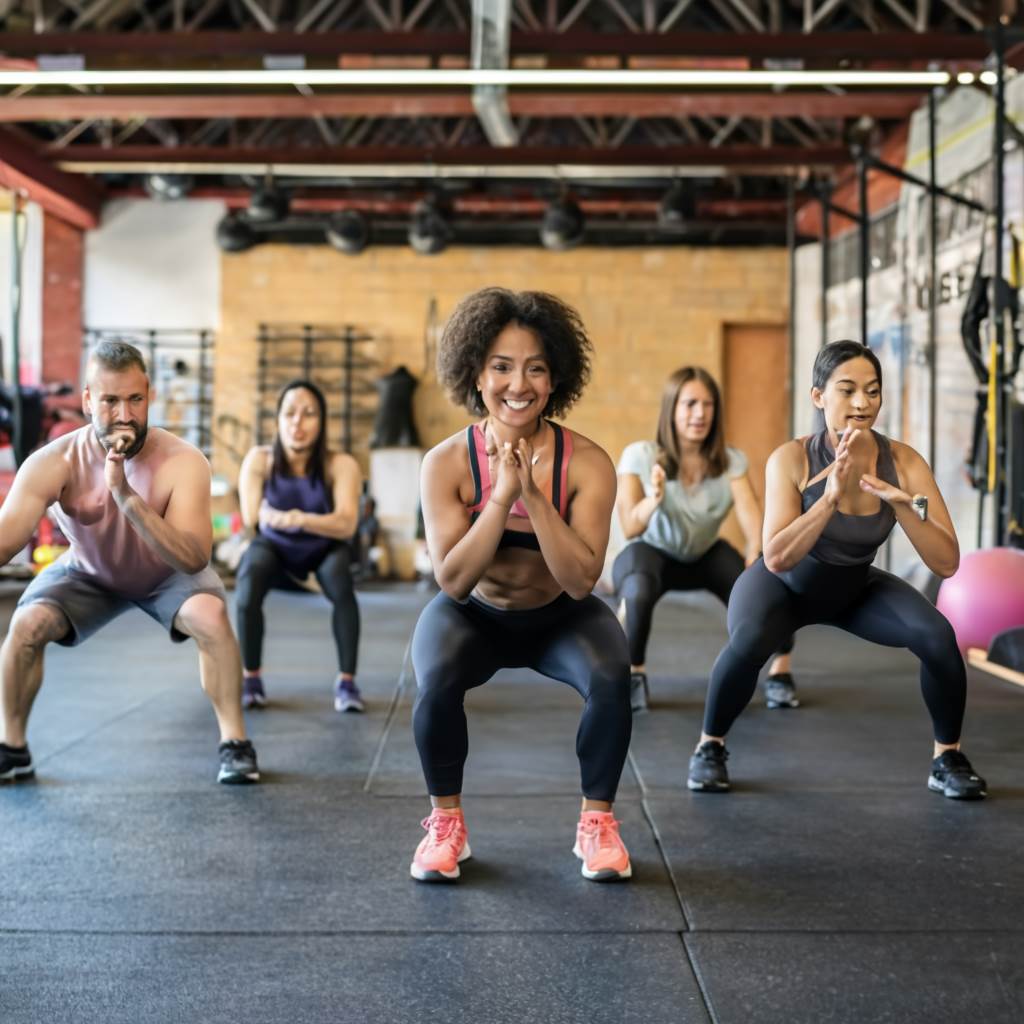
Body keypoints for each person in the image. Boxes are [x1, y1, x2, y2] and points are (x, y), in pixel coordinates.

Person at [687, 340, 986, 800]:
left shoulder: (903, 463)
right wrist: (828, 500)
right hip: (781, 588)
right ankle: (711, 746)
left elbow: (946, 562)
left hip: (854, 589)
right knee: (748, 641)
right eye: (847, 390)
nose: (862, 402)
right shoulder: (791, 459)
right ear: (818, 396)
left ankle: (947, 757)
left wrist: (902, 506)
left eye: (872, 390)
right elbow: (777, 557)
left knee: (938, 638)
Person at [409, 288, 633, 883]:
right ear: (476, 374)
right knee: (432, 679)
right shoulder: (445, 463)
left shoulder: (587, 463)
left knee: (613, 676)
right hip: (474, 616)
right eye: (502, 367)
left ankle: (598, 825)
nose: (519, 383)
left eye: (536, 368)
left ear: (555, 378)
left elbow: (583, 581)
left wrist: (532, 496)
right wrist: (500, 496)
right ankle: (445, 825)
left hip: (560, 615)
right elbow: (453, 581)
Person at [0, 340, 258, 785]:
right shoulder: (54, 462)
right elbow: (6, 540)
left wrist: (126, 495)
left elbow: (194, 556)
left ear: (149, 396)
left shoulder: (183, 461)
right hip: (88, 571)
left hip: (165, 575)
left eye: (135, 399)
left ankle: (234, 741)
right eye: (110, 401)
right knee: (26, 627)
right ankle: (12, 747)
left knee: (212, 616)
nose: (124, 415)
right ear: (86, 400)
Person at [613, 366, 796, 713]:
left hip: (704, 555)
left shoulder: (729, 461)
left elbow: (751, 516)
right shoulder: (640, 455)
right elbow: (630, 526)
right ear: (672, 408)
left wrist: (756, 555)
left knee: (764, 585)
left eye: (708, 404)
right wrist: (654, 499)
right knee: (638, 588)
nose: (700, 413)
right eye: (690, 403)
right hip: (650, 553)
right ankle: (635, 673)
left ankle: (780, 668)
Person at [235, 380, 363, 712]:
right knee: (248, 579)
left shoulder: (341, 464)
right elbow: (254, 517)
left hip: (323, 548)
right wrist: (281, 520)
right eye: (290, 413)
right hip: (274, 548)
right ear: (277, 419)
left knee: (341, 583)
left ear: (321, 422)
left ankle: (347, 683)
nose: (298, 422)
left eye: (309, 414)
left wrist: (297, 519)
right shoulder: (260, 460)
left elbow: (346, 523)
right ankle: (251, 677)